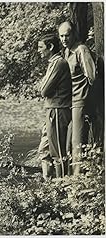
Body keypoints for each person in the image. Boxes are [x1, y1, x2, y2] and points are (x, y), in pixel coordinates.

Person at [58, 21, 96, 175]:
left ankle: (77, 181)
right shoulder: (66, 52)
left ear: (73, 34)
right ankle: (69, 178)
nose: (64, 39)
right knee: (67, 144)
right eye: (61, 36)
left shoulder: (81, 50)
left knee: (78, 144)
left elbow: (92, 77)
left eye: (67, 35)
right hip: (69, 102)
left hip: (80, 101)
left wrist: (89, 103)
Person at [37, 34, 72, 179]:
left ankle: (62, 186)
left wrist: (42, 86)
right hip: (52, 109)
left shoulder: (58, 63)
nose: (38, 51)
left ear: (50, 47)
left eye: (41, 47)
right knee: (45, 149)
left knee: (58, 151)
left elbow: (44, 90)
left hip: (58, 110)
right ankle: (50, 183)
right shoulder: (53, 63)